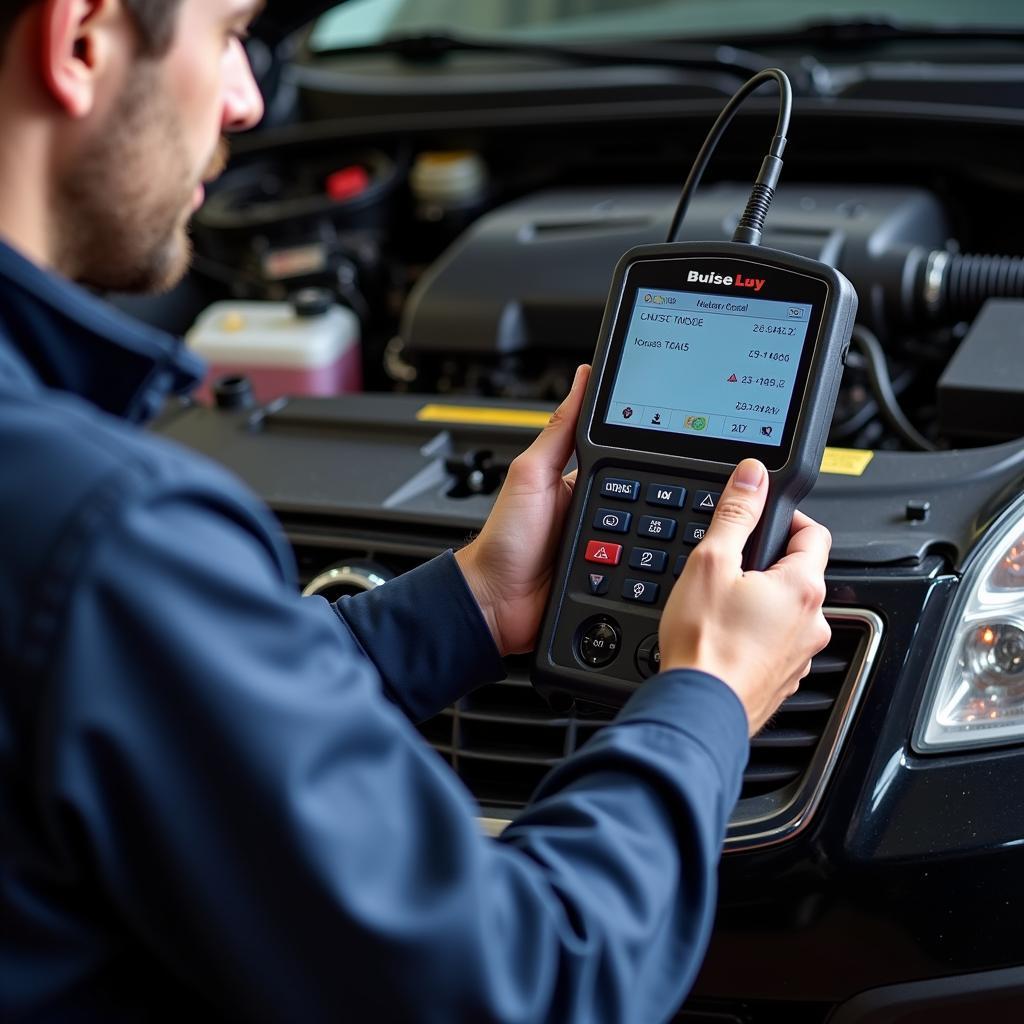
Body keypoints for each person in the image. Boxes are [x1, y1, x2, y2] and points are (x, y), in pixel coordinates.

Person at [0, 1, 833, 1021]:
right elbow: (529, 979)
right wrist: (707, 701)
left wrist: (472, 604)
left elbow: (161, 708)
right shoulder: (108, 531)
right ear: (79, 40)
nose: (249, 99)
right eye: (227, 36)